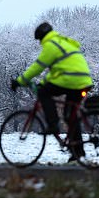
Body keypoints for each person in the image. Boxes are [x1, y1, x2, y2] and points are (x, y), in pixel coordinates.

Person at [11, 22, 93, 162]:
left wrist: (21, 81)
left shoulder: (51, 45)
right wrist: (43, 83)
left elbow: (38, 66)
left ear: (41, 36)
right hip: (83, 80)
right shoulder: (62, 42)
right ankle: (77, 153)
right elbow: (56, 71)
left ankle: (53, 125)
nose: (39, 43)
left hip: (71, 79)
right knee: (70, 116)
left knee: (44, 93)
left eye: (39, 40)